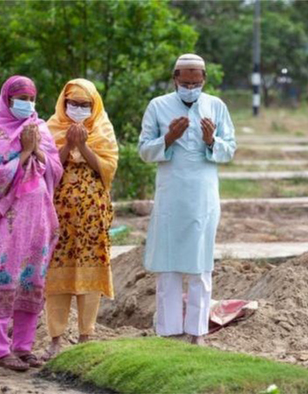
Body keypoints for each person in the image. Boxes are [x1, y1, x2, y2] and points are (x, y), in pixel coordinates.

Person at [138, 54, 236, 345]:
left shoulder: (216, 106)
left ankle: (197, 333)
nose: (191, 87)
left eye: (196, 82)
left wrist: (211, 141)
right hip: (170, 194)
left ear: (204, 80)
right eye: (185, 82)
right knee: (168, 266)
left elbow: (229, 149)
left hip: (203, 195)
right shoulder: (158, 106)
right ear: (175, 79)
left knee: (200, 265)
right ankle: (169, 333)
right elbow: (144, 151)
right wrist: (168, 138)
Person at [0, 75, 63, 371]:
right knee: (4, 276)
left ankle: (24, 347)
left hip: (38, 217)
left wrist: (37, 150)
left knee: (32, 279)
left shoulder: (39, 128)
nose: (26, 104)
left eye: (30, 99)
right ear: (7, 99)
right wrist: (25, 152)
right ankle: (2, 351)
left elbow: (55, 167)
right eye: (20, 99)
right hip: (10, 219)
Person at [42, 79, 118, 360]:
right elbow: (48, 168)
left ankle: (86, 335)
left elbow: (107, 169)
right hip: (58, 214)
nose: (77, 109)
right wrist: (68, 145)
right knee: (56, 273)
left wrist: (84, 147)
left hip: (91, 215)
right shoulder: (50, 129)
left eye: (84, 105)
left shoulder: (103, 130)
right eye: (72, 103)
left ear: (93, 105)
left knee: (90, 270)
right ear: (63, 103)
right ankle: (55, 339)